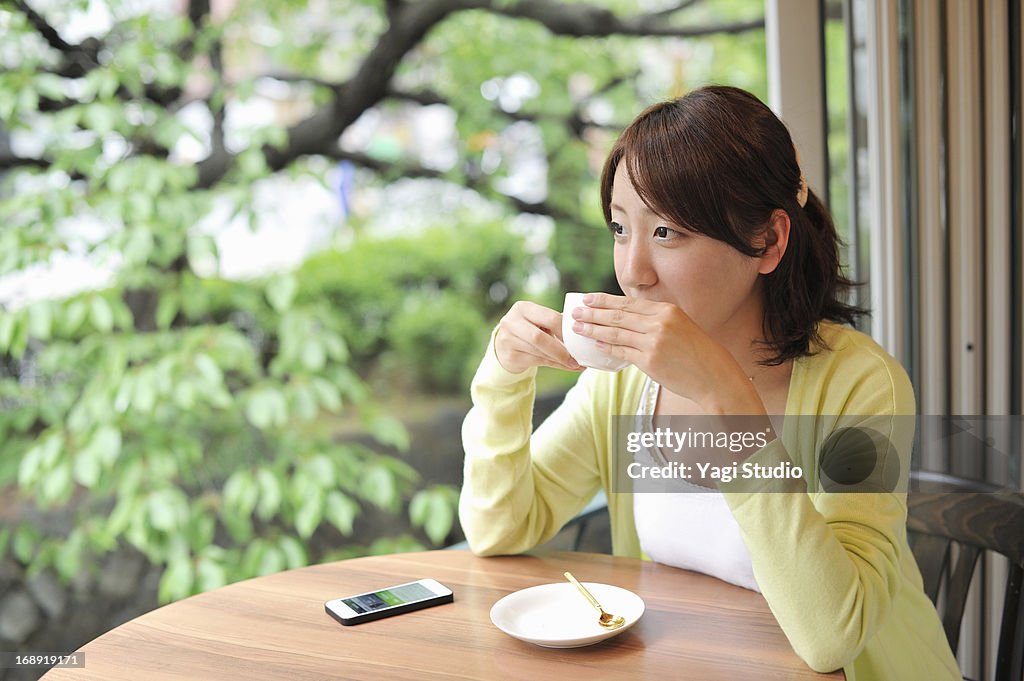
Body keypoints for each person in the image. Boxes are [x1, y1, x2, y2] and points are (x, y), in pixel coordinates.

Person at [458, 85, 960, 680]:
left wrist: (727, 397)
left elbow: (832, 638)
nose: (632, 272)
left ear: (768, 241)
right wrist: (504, 376)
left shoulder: (863, 386)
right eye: (621, 229)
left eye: (667, 232)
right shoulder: (622, 383)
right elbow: (501, 530)